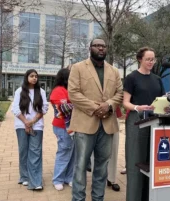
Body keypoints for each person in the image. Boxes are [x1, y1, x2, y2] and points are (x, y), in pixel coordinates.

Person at [68, 38, 123, 201]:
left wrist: (109, 105)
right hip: (85, 124)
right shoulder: (78, 68)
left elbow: (119, 93)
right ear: (90, 48)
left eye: (103, 46)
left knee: (102, 166)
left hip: (107, 125)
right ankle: (78, 198)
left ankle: (98, 198)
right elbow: (73, 94)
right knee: (81, 166)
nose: (101, 48)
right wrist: (96, 108)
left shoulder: (114, 71)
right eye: (97, 46)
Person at [123, 47, 165, 201]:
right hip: (137, 121)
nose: (151, 62)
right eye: (148, 59)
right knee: (136, 160)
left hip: (155, 122)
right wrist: (137, 107)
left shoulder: (157, 79)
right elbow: (125, 103)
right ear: (140, 59)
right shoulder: (131, 78)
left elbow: (162, 100)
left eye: (153, 59)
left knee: (152, 161)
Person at [11, 69, 48, 190]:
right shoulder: (19, 91)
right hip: (21, 125)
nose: (34, 78)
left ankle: (36, 182)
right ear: (27, 77)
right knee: (23, 151)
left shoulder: (41, 91)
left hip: (37, 125)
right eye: (32, 76)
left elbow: (44, 108)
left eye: (36, 76)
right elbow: (15, 109)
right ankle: (24, 177)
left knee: (35, 152)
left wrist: (32, 122)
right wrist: (26, 122)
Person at [50, 68, 75, 191]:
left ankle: (69, 177)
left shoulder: (69, 90)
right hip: (62, 126)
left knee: (73, 153)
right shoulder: (58, 90)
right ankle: (58, 179)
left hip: (73, 126)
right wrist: (80, 104)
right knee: (64, 152)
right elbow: (64, 108)